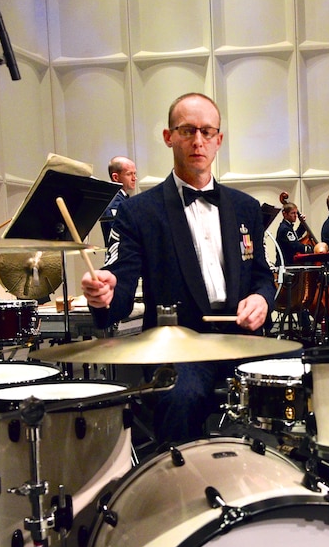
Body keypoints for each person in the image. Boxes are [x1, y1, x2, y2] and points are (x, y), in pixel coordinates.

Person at [82, 93, 275, 445]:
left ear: (219, 139)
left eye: (206, 131)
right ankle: (182, 491)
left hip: (243, 341)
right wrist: (104, 293)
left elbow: (261, 275)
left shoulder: (245, 208)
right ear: (169, 137)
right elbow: (121, 287)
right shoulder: (139, 212)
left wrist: (262, 299)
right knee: (180, 397)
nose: (197, 141)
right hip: (180, 349)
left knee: (309, 374)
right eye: (187, 131)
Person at [100, 156, 138, 245]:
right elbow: (118, 234)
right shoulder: (114, 202)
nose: (134, 178)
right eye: (129, 174)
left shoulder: (122, 199)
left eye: (134, 173)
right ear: (115, 177)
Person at [275, 202, 313, 266]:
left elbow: (295, 236)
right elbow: (295, 245)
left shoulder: (288, 227)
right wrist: (309, 249)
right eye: (292, 213)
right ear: (284, 214)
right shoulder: (285, 229)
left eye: (296, 213)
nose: (295, 216)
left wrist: (302, 224)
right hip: (286, 265)